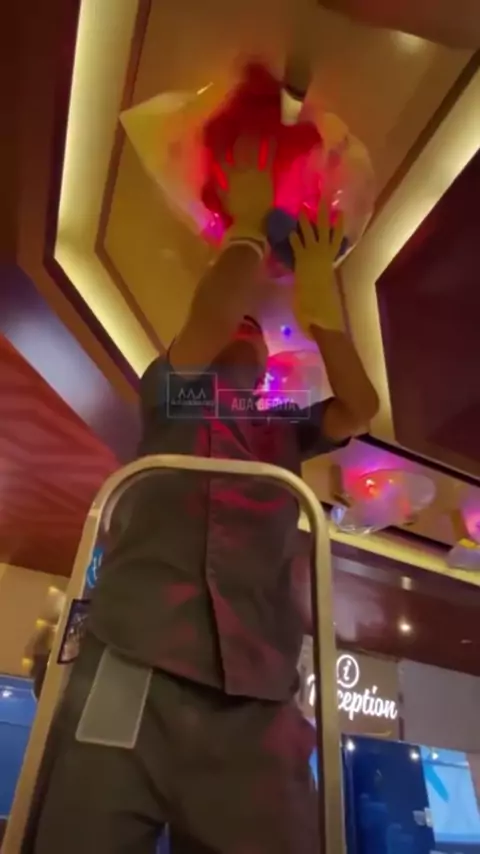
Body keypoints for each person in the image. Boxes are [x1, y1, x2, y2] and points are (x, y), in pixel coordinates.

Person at [30, 136, 378, 854]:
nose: (245, 330)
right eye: (236, 326)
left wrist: (321, 304)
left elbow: (360, 407)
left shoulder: (282, 431)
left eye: (257, 330)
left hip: (258, 688)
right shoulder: (174, 395)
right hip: (134, 656)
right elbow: (213, 317)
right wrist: (245, 228)